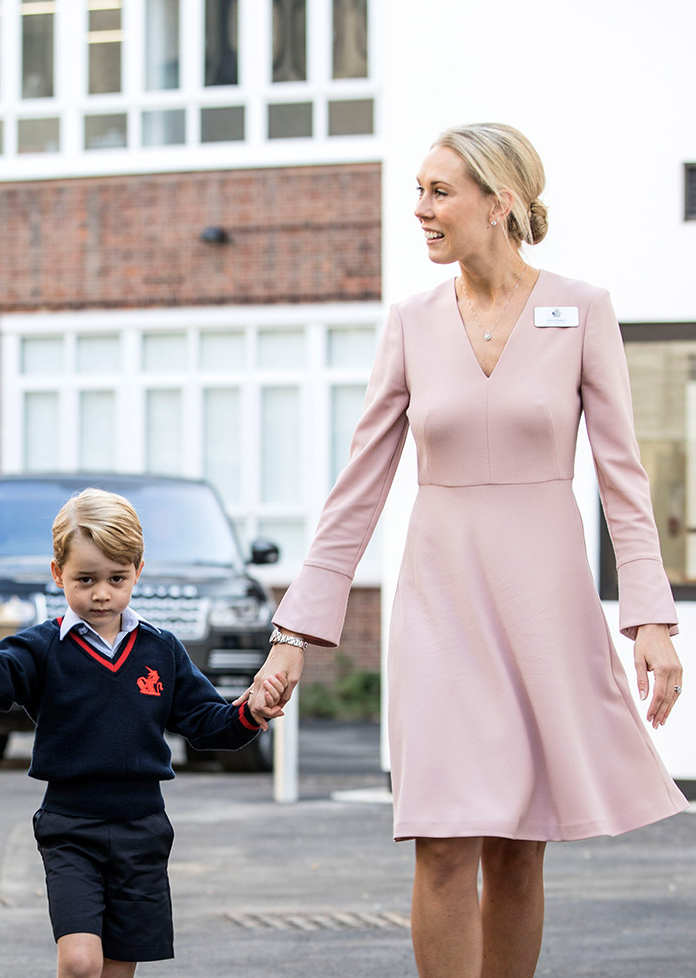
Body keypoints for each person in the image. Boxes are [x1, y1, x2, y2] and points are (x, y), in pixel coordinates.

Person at [245, 122, 687, 978]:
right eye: (418, 190)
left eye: (439, 192)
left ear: (502, 203)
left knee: (520, 844)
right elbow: (359, 487)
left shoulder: (582, 307)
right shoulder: (411, 322)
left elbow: (625, 480)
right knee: (442, 841)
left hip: (544, 601)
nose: (421, 210)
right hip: (442, 604)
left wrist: (651, 619)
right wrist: (295, 632)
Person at [0, 488, 285, 978]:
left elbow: (208, 723)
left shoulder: (162, 650)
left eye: (117, 579)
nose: (101, 593)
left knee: (117, 971)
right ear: (57, 574)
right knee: (80, 964)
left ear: (138, 570)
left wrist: (250, 711)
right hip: (70, 829)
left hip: (143, 832)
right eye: (85, 579)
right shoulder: (42, 648)